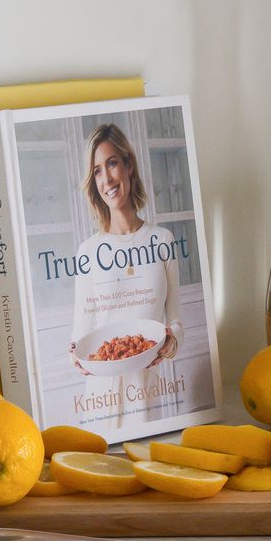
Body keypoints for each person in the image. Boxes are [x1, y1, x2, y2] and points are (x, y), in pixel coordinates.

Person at [70, 120, 182, 373]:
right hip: (102, 390)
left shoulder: (163, 240)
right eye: (97, 171)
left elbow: (175, 323)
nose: (107, 179)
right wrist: (75, 357)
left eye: (112, 163)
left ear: (128, 165)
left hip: (151, 380)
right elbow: (80, 335)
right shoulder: (88, 252)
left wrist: (171, 342)